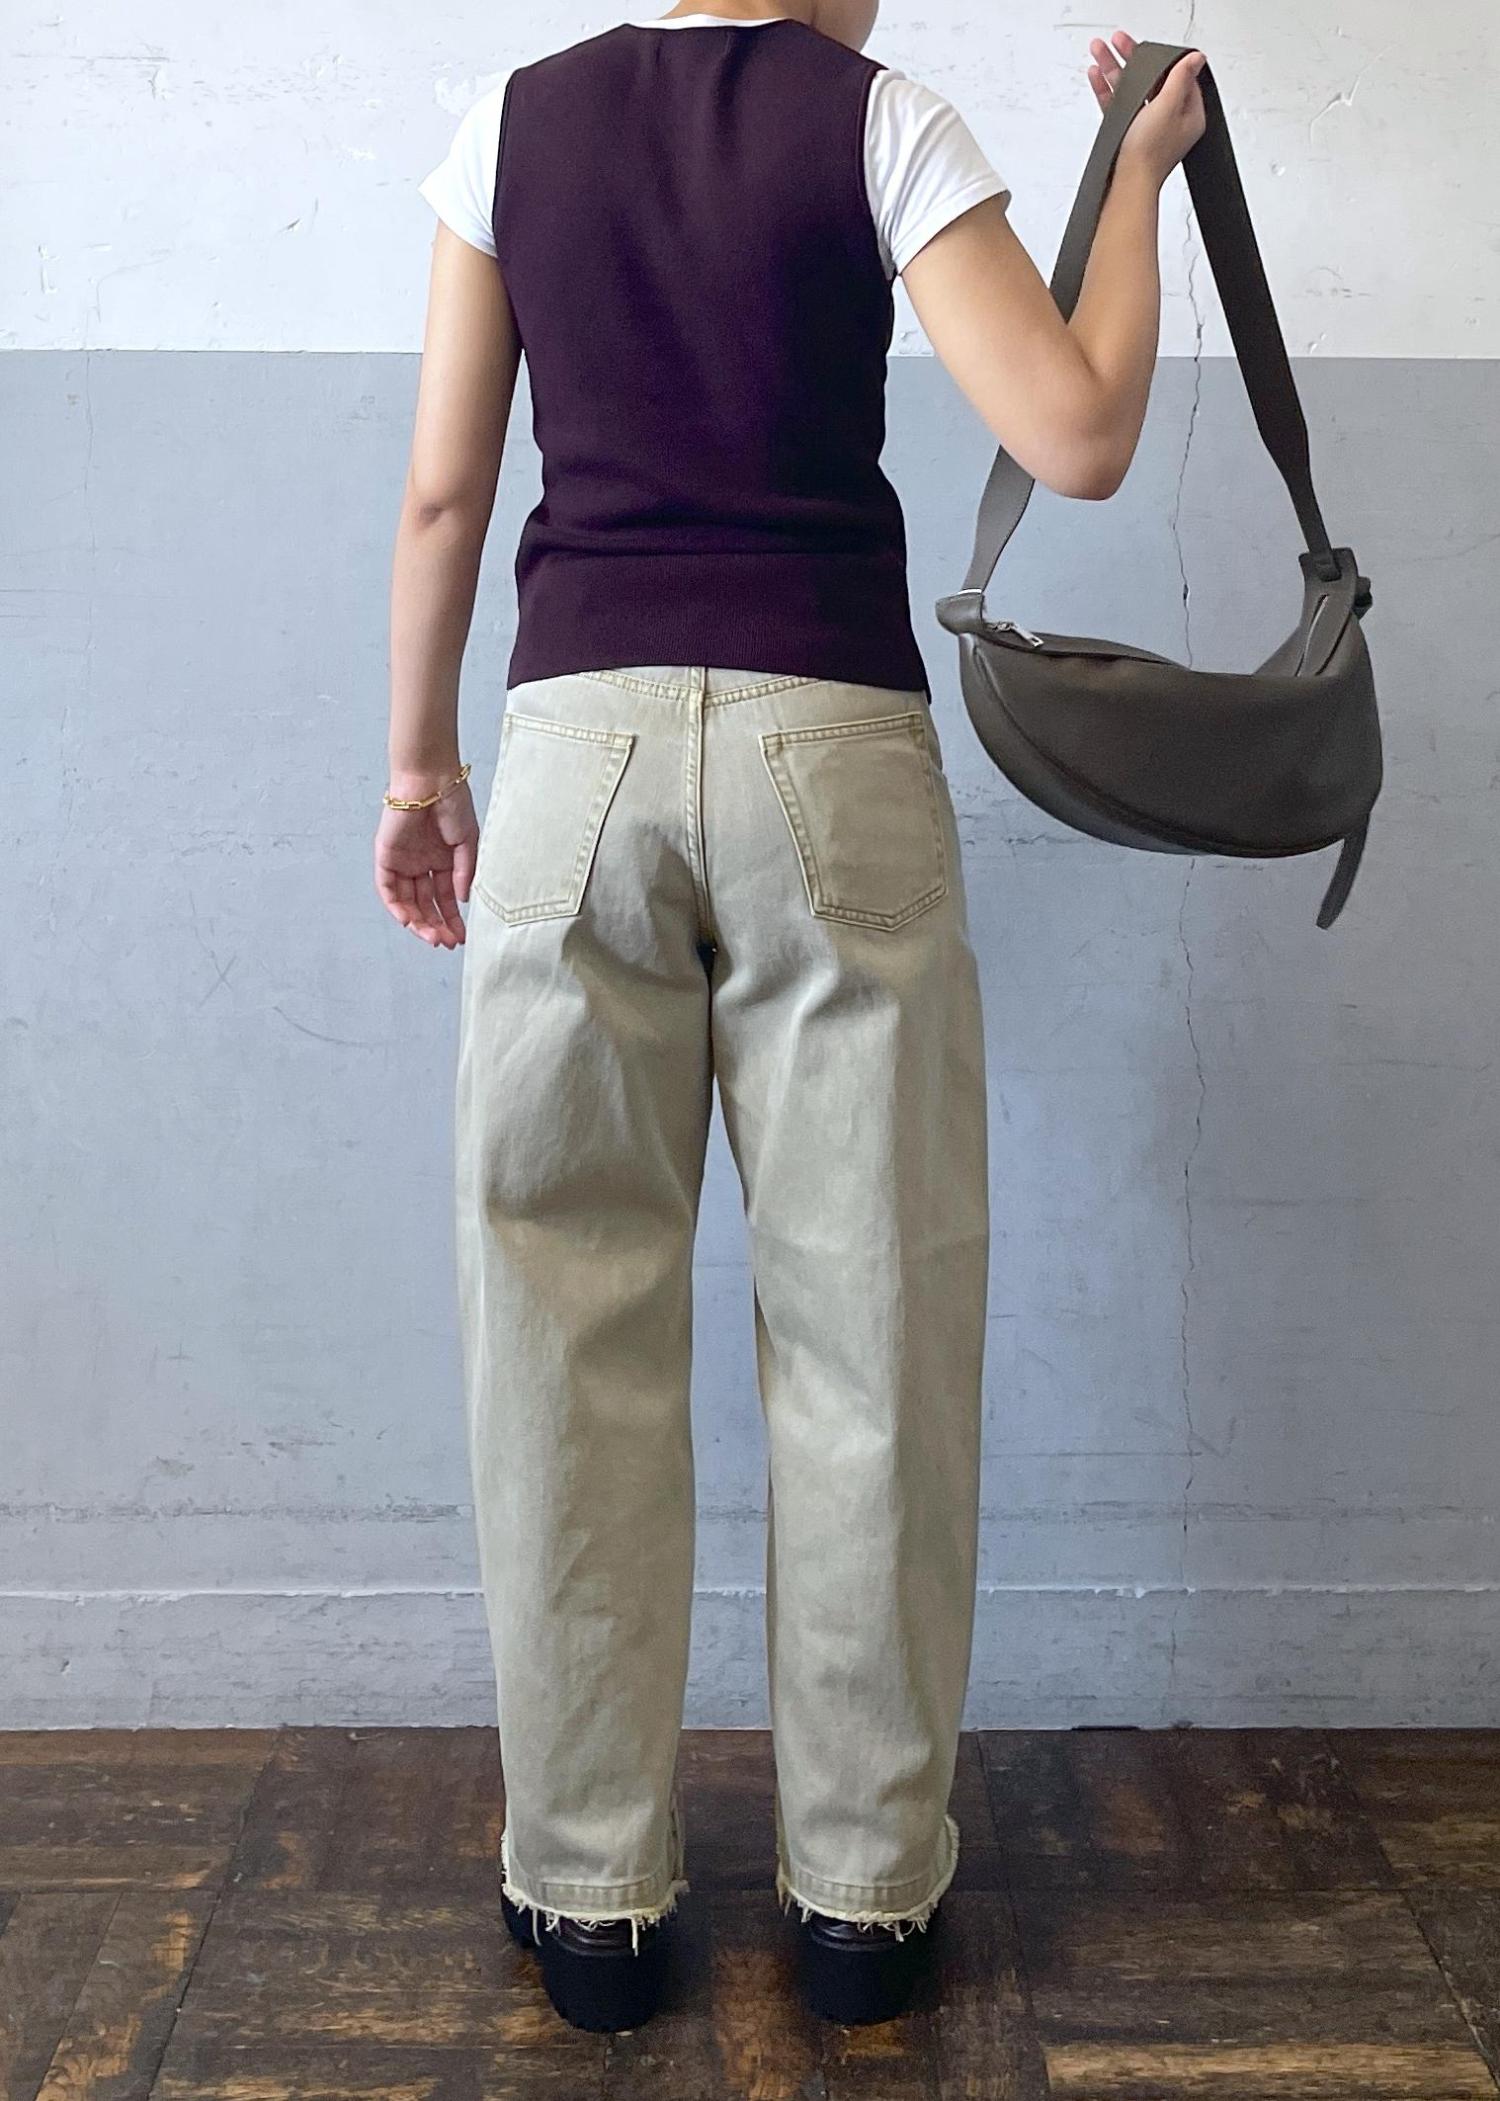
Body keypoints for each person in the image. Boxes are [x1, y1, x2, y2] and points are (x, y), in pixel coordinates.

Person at [377, 3, 1206, 2033]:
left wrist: (419, 770)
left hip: (572, 760)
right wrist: (1138, 184)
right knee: (872, 1326)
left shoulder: (515, 126)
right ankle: (862, 1904)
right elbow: (1082, 434)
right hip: (829, 751)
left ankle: (589, 1902)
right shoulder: (879, 122)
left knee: (558, 1335)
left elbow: (445, 498)